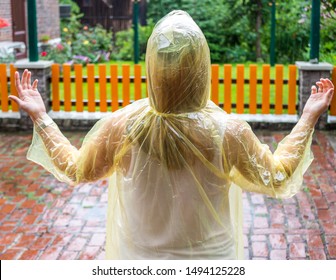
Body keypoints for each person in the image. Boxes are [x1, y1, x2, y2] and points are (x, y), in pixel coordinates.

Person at [9, 10, 334, 259]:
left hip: (138, 261)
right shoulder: (228, 131)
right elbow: (277, 177)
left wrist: (41, 116)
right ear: (202, 67)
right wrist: (308, 116)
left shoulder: (122, 126)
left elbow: (75, 168)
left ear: (152, 67)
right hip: (212, 263)